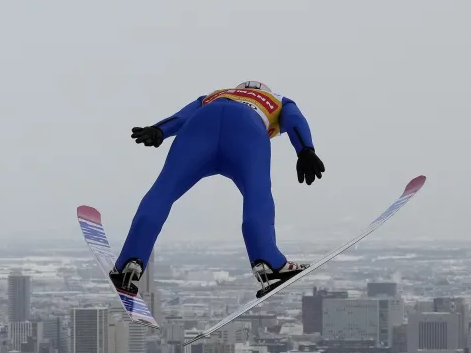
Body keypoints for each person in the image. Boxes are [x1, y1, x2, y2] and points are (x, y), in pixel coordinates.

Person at [112, 81, 325, 300]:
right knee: (257, 194)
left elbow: (182, 116)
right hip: (247, 130)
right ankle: (269, 264)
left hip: (200, 126)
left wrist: (159, 129)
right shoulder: (278, 100)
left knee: (164, 190)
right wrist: (305, 149)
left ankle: (130, 262)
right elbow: (295, 120)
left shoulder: (215, 95)